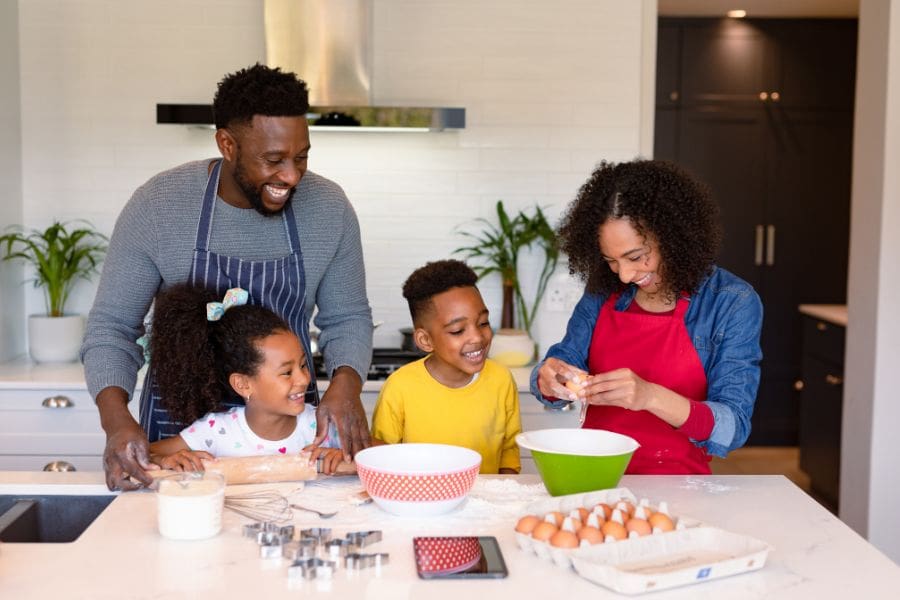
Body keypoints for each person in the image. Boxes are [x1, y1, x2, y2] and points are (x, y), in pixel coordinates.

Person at [82, 64, 373, 491]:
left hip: (288, 438)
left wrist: (346, 385)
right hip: (180, 440)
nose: (291, 175)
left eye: (301, 157)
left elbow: (347, 317)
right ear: (227, 144)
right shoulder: (159, 205)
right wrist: (117, 423)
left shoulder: (329, 208)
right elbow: (111, 329)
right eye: (273, 160)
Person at [531, 159, 762, 474]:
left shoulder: (730, 302)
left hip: (680, 485)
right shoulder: (602, 292)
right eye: (611, 261)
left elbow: (733, 428)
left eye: (636, 257)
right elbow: (564, 360)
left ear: (673, 236)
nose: (624, 275)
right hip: (596, 476)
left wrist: (650, 395)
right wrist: (550, 379)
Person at [146, 284, 348, 474]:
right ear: (243, 385)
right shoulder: (216, 432)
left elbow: (377, 452)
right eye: (287, 372)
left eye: (303, 365)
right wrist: (163, 460)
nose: (304, 379)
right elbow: (142, 454)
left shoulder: (320, 425)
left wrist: (347, 458)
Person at [371, 260, 522, 474]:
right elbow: (381, 458)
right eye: (458, 330)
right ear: (425, 340)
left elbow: (509, 452)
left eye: (483, 323)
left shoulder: (501, 379)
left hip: (485, 503)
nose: (477, 337)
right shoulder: (399, 387)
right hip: (421, 503)